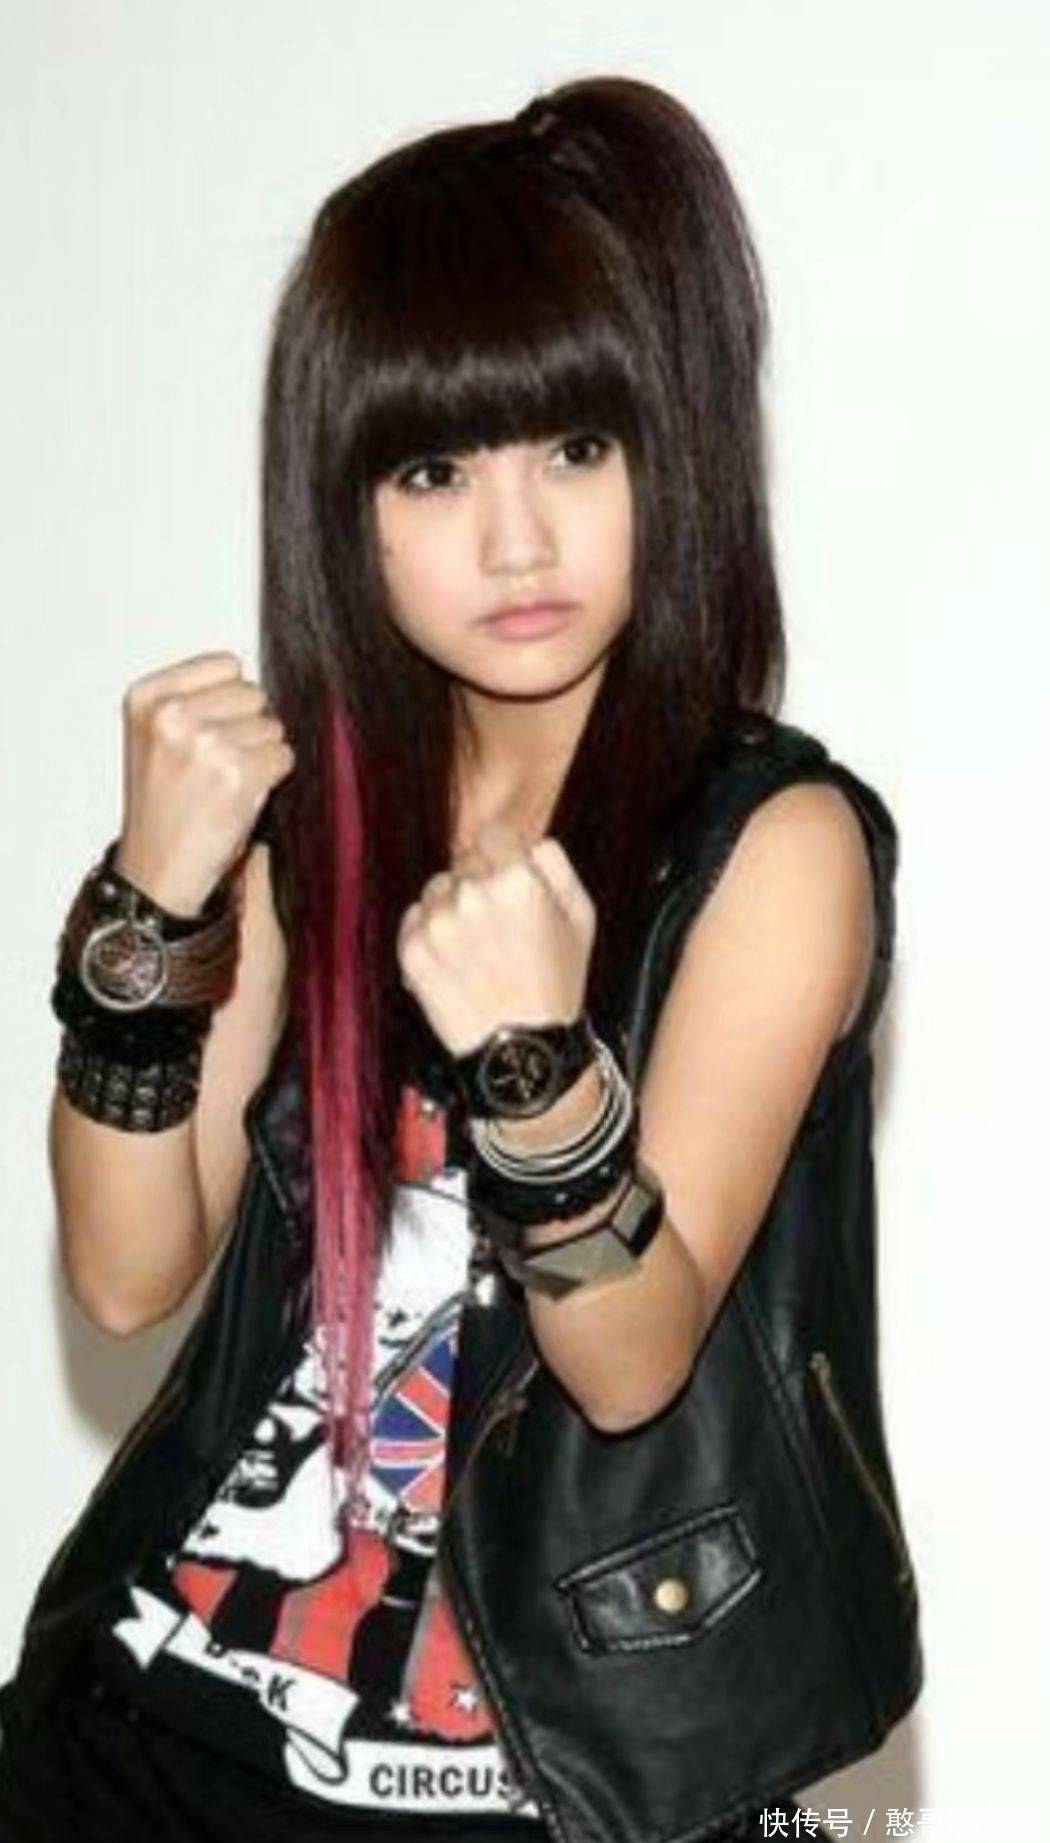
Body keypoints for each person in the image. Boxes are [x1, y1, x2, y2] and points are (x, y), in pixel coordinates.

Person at [0, 74, 922, 1843]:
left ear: (668, 453)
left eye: (574, 450)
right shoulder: (315, 823)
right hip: (170, 1723)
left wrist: (534, 1065)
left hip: (561, 1760)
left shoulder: (769, 845)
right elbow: (122, 1274)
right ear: (347, 508)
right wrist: (151, 911)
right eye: (435, 470)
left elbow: (629, 1359)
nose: (515, 542)